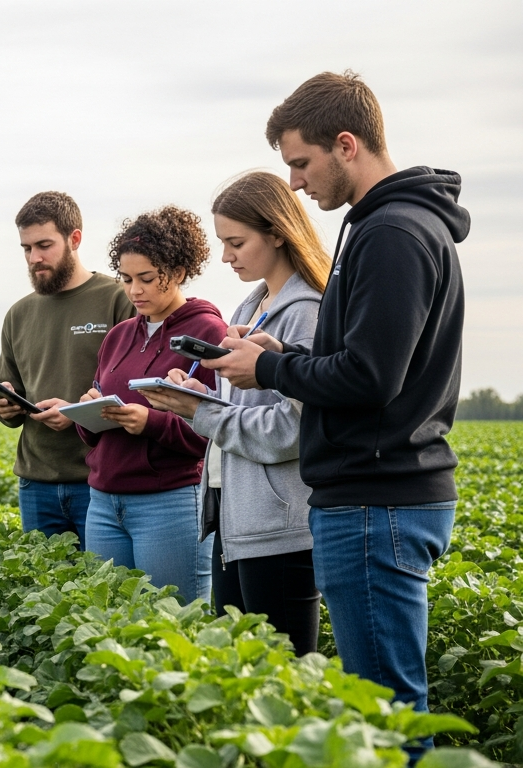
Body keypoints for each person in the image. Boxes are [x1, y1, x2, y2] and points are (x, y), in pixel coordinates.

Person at [205, 71, 468, 722]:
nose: (295, 181)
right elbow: (363, 364)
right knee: (376, 709)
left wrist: (269, 375)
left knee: (386, 715)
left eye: (301, 162)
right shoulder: (382, 226)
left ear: (346, 145)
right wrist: (284, 357)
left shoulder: (393, 233)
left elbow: (370, 379)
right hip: (370, 498)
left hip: (375, 500)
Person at [140, 171, 330, 655]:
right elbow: (245, 407)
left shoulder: (306, 310)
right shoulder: (253, 303)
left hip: (280, 527)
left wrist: (199, 414)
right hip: (237, 517)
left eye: (236, 242)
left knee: (282, 674)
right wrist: (194, 400)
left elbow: (291, 429)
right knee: (239, 671)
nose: (225, 256)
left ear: (277, 233)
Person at [74, 206, 226, 603]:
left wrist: (150, 423)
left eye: (146, 279)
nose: (134, 291)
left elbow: (217, 430)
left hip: (169, 503)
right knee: (110, 623)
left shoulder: (208, 331)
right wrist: (89, 413)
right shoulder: (120, 335)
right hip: (104, 503)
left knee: (174, 622)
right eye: (126, 279)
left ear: (177, 273)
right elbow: (92, 437)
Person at [0, 192, 135, 546]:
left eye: (44, 245)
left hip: (98, 479)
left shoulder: (119, 299)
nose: (34, 258)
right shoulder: (18, 314)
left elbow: (137, 390)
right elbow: (9, 392)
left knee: (103, 592)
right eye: (26, 248)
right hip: (35, 481)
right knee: (44, 591)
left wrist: (76, 413)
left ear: (75, 239)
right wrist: (6, 405)